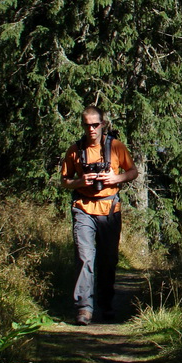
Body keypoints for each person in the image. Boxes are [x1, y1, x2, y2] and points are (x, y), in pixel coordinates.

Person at [60, 106, 138, 326]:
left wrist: (115, 178)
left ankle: (106, 303)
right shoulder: (75, 150)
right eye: (87, 125)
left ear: (103, 124)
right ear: (82, 125)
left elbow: (133, 172)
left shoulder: (115, 147)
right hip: (83, 208)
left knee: (108, 259)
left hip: (109, 209)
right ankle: (84, 308)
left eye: (95, 124)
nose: (91, 129)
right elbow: (64, 181)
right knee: (85, 257)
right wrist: (79, 182)